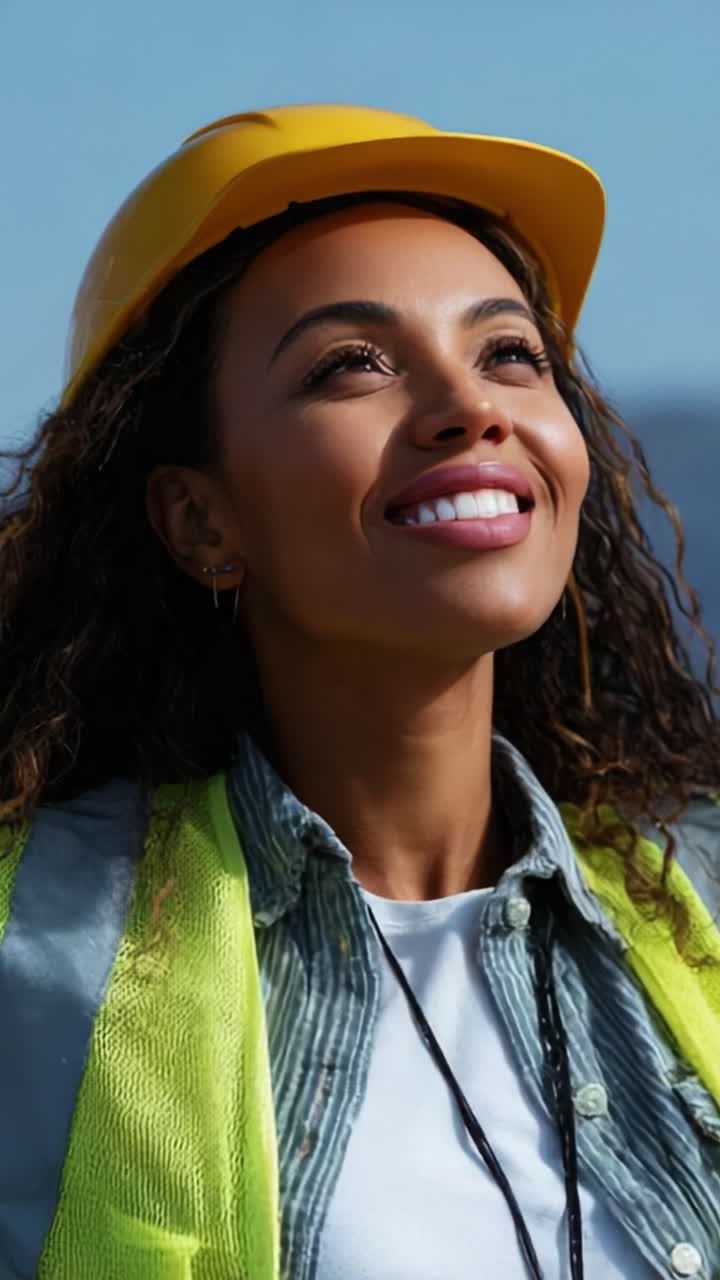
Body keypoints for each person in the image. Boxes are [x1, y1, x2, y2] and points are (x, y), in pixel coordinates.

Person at [0, 104, 719, 1280]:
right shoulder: (34, 945)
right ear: (200, 518)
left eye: (509, 354)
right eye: (353, 365)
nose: (468, 404)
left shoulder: (698, 900)